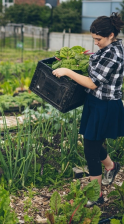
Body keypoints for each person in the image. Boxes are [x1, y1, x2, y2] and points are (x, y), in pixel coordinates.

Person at [52, 12, 124, 207]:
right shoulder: (109, 47)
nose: (96, 43)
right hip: (95, 103)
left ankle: (96, 196)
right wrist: (85, 58)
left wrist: (68, 70)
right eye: (94, 39)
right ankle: (111, 166)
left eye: (98, 39)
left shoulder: (114, 54)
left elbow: (93, 83)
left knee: (91, 149)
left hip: (106, 106)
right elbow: (97, 64)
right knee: (91, 142)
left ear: (110, 35)